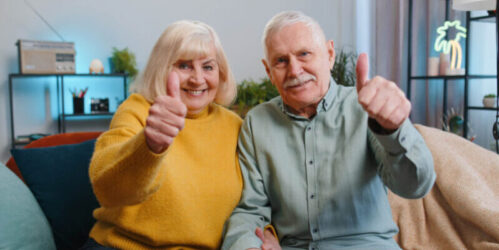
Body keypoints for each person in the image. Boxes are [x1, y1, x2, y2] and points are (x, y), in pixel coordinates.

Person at [222, 11, 436, 250]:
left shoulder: (366, 107)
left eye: (304, 54)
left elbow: (415, 185)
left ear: (330, 54)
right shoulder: (256, 122)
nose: (294, 70)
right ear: (268, 71)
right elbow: (250, 210)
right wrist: (247, 245)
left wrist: (393, 130)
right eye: (281, 61)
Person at [81, 20, 244, 249]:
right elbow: (107, 188)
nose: (198, 79)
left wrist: (266, 233)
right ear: (162, 67)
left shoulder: (234, 126)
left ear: (221, 72)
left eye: (208, 67)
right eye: (184, 66)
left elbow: (258, 201)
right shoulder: (137, 110)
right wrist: (149, 145)